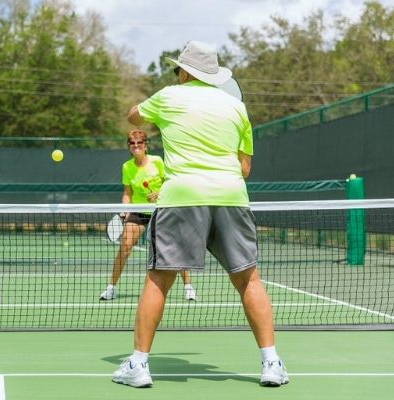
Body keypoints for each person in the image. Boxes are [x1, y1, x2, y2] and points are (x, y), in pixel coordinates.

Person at [112, 41, 288, 388]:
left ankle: (138, 365)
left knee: (159, 279)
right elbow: (245, 167)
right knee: (249, 280)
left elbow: (133, 116)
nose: (176, 74)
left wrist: (154, 111)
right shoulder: (237, 108)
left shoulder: (168, 96)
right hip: (231, 197)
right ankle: (272, 363)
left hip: (182, 197)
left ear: (187, 71)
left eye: (178, 69)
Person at [99, 129, 196, 302]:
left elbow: (171, 183)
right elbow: (127, 193)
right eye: (132, 143)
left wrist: (159, 192)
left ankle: (188, 287)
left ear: (145, 145)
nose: (136, 146)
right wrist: (124, 208)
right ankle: (111, 287)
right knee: (125, 245)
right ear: (129, 147)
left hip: (161, 210)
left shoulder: (157, 162)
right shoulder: (127, 167)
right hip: (138, 212)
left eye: (139, 143)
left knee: (174, 248)